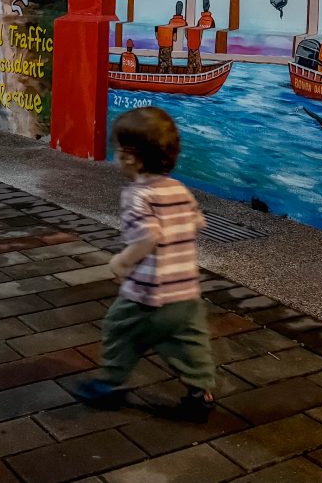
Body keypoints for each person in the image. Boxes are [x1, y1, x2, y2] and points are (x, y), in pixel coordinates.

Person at [75, 107, 215, 422]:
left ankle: (109, 384)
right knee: (189, 342)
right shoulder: (179, 189)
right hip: (186, 290)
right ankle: (201, 393)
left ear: (131, 158)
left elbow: (148, 237)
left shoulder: (136, 196)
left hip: (148, 294)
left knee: (119, 330)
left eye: (117, 150)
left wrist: (121, 262)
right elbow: (198, 222)